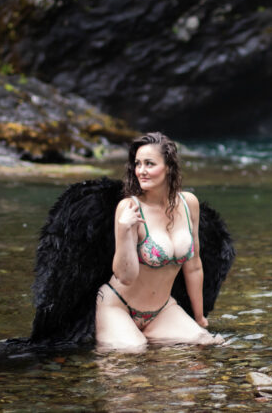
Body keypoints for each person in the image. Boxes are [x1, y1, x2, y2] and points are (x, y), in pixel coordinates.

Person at [95, 132, 224, 349]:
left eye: (149, 164)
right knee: (133, 350)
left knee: (206, 343)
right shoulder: (129, 208)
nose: (141, 171)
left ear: (169, 167)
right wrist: (124, 229)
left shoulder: (188, 203)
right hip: (119, 306)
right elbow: (124, 277)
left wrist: (200, 318)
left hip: (162, 310)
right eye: (137, 164)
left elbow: (193, 266)